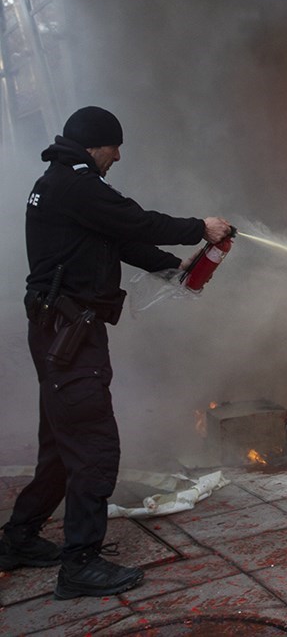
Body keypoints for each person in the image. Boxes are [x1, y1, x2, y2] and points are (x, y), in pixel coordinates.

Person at [0, 106, 231, 599]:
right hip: (69, 337)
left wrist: (174, 270)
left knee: (62, 446)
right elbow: (136, 222)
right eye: (114, 147)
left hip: (61, 332)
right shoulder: (76, 184)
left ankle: (18, 539)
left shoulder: (65, 183)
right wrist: (200, 227)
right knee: (95, 449)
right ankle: (79, 564)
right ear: (93, 145)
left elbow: (117, 238)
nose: (119, 156)